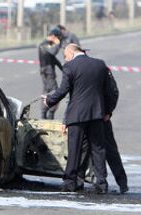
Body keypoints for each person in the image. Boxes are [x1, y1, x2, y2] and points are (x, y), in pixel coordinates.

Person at [44, 44, 115, 194]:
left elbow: (63, 90)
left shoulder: (70, 67)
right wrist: (108, 111)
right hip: (97, 115)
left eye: (65, 55)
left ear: (71, 52)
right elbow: (109, 91)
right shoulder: (100, 65)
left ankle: (71, 182)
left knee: (75, 150)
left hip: (76, 116)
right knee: (98, 149)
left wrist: (49, 100)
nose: (65, 58)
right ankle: (101, 184)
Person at [78, 70, 128, 193]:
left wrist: (108, 111)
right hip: (88, 116)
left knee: (108, 151)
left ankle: (121, 183)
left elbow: (113, 91)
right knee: (84, 150)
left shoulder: (100, 69)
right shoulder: (80, 68)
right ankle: (84, 181)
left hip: (99, 117)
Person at [38, 28, 62, 120]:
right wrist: (57, 44)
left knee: (47, 93)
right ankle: (48, 114)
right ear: (53, 36)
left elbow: (54, 59)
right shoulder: (44, 45)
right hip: (47, 73)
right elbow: (53, 52)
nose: (59, 39)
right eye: (58, 37)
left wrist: (63, 69)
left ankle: (45, 116)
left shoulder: (48, 44)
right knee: (55, 93)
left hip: (48, 72)